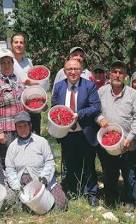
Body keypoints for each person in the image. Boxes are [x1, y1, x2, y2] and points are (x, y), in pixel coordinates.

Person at [51, 59, 101, 207]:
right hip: (67, 133)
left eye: (76, 69)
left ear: (81, 70)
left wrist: (79, 114)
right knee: (69, 162)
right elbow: (54, 106)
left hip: (84, 132)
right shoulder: (59, 87)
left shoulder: (89, 86)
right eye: (69, 69)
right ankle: (72, 190)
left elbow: (96, 107)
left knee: (89, 164)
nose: (73, 72)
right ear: (64, 71)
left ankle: (92, 193)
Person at [96, 60, 136, 210]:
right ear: (110, 74)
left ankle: (129, 200)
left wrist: (130, 138)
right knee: (109, 171)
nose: (117, 75)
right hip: (107, 141)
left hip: (127, 143)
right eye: (115, 72)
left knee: (129, 173)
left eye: (121, 72)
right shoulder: (101, 92)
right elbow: (94, 111)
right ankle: (110, 198)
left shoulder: (133, 94)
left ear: (125, 76)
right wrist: (99, 119)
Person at [5, 112, 68, 211]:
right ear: (16, 129)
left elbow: (49, 162)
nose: (22, 129)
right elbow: (10, 169)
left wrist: (44, 179)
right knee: (10, 201)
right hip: (22, 182)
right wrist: (16, 186)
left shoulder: (41, 142)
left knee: (61, 203)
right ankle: (29, 205)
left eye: (25, 126)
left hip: (41, 179)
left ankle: (38, 205)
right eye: (19, 127)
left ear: (30, 125)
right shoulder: (12, 146)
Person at [0, 48, 24, 167]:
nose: (6, 65)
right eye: (3, 62)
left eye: (9, 62)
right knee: (7, 160)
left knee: (19, 158)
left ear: (13, 64)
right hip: (6, 129)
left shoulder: (16, 80)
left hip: (19, 127)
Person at [10, 32, 43, 135]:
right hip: (15, 105)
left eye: (21, 42)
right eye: (16, 42)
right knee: (19, 134)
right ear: (11, 44)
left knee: (34, 133)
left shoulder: (28, 61)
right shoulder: (7, 61)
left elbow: (34, 79)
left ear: (24, 45)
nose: (19, 44)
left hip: (31, 103)